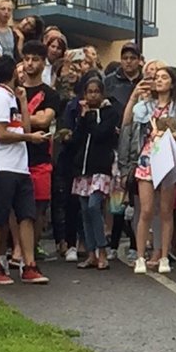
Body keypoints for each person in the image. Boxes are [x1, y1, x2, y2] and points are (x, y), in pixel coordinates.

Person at [0, 55, 49, 285]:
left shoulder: (12, 98)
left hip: (20, 166)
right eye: (19, 71)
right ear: (13, 73)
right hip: (2, 165)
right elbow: (0, 133)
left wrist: (23, 103)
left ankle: (29, 265)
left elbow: (24, 127)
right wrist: (30, 137)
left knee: (26, 215)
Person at [125, 65, 176, 275]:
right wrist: (135, 96)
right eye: (156, 77)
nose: (159, 80)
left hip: (167, 157)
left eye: (164, 77)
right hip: (147, 158)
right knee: (146, 209)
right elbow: (127, 123)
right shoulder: (144, 106)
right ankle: (141, 256)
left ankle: (165, 255)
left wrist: (169, 135)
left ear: (172, 82)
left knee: (166, 211)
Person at [66, 76, 121, 271]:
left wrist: (89, 117)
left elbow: (99, 134)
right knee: (84, 210)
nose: (92, 95)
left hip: (100, 167)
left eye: (96, 91)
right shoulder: (83, 114)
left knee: (93, 206)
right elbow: (78, 138)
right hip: (83, 168)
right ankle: (91, 253)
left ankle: (102, 250)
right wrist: (81, 118)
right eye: (89, 92)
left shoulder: (110, 113)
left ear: (102, 93)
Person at [16, 41, 60, 258]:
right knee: (16, 209)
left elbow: (45, 121)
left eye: (35, 59)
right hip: (15, 156)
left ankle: (31, 251)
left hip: (41, 157)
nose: (30, 64)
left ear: (43, 63)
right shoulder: (15, 91)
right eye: (26, 59)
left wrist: (21, 118)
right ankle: (18, 251)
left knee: (39, 208)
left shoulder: (50, 94)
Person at [102, 43, 143, 112]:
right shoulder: (109, 81)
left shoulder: (145, 81)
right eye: (125, 58)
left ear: (139, 60)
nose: (128, 61)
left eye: (132, 58)